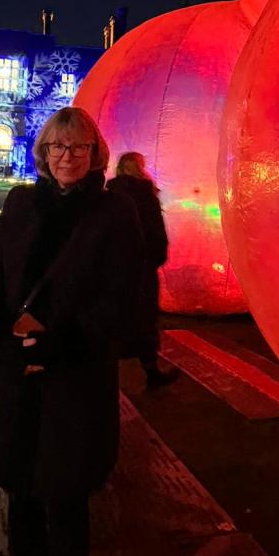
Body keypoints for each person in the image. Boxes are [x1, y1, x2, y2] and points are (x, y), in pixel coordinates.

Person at [0, 107, 143, 556]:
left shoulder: (114, 212)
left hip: (74, 380)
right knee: (21, 504)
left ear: (96, 153)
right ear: (42, 153)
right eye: (56, 147)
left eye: (78, 147)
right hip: (20, 380)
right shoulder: (21, 204)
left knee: (64, 507)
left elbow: (122, 295)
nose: (66, 156)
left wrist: (61, 344)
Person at [106, 152, 179, 388]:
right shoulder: (146, 196)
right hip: (142, 269)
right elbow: (156, 233)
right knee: (144, 320)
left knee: (113, 320)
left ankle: (105, 375)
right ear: (139, 168)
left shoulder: (108, 195)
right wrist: (155, 258)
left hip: (114, 270)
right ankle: (150, 370)